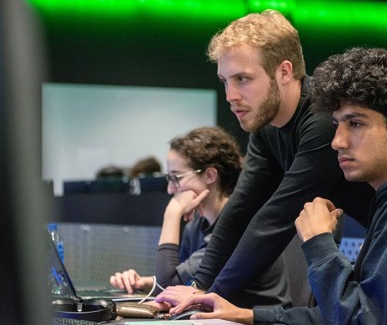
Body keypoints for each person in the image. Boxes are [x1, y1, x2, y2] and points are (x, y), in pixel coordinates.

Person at [169, 47, 387, 325]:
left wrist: (319, 244)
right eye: (338, 124)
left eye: (355, 124)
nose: (338, 141)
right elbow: (339, 316)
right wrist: (246, 315)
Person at [109, 126, 288, 306]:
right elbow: (178, 287)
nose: (170, 189)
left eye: (176, 178)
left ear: (210, 175)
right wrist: (143, 283)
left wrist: (172, 213)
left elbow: (167, 286)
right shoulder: (196, 225)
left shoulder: (237, 228)